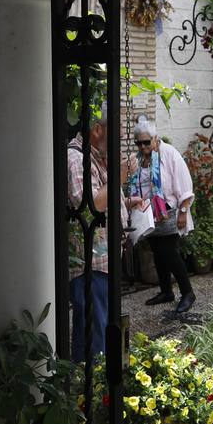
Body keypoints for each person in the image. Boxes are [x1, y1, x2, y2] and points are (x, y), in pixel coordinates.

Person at [66, 119, 129, 362]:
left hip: (103, 259)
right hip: (89, 263)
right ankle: (88, 389)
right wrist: (117, 177)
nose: (119, 142)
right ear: (97, 130)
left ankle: (97, 385)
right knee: (93, 334)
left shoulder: (93, 157)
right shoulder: (75, 159)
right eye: (116, 135)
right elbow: (90, 206)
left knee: (102, 327)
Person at [126, 117, 196, 314]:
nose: (142, 146)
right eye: (138, 143)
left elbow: (184, 184)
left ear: (155, 139)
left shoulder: (169, 154)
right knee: (157, 252)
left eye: (146, 142)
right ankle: (166, 291)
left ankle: (188, 293)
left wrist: (183, 212)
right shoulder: (138, 159)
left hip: (169, 211)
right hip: (149, 213)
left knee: (169, 252)